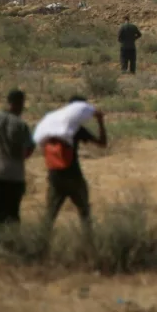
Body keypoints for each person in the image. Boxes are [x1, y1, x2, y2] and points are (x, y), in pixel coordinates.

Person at [41, 97, 108, 231]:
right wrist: (100, 121)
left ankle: (41, 247)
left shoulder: (53, 125)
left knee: (49, 217)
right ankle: (87, 246)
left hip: (55, 175)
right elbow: (102, 143)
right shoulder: (77, 129)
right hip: (73, 176)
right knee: (85, 214)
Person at [0, 89, 33, 253]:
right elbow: (29, 150)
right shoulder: (21, 125)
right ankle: (10, 244)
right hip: (15, 174)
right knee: (12, 211)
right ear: (20, 103)